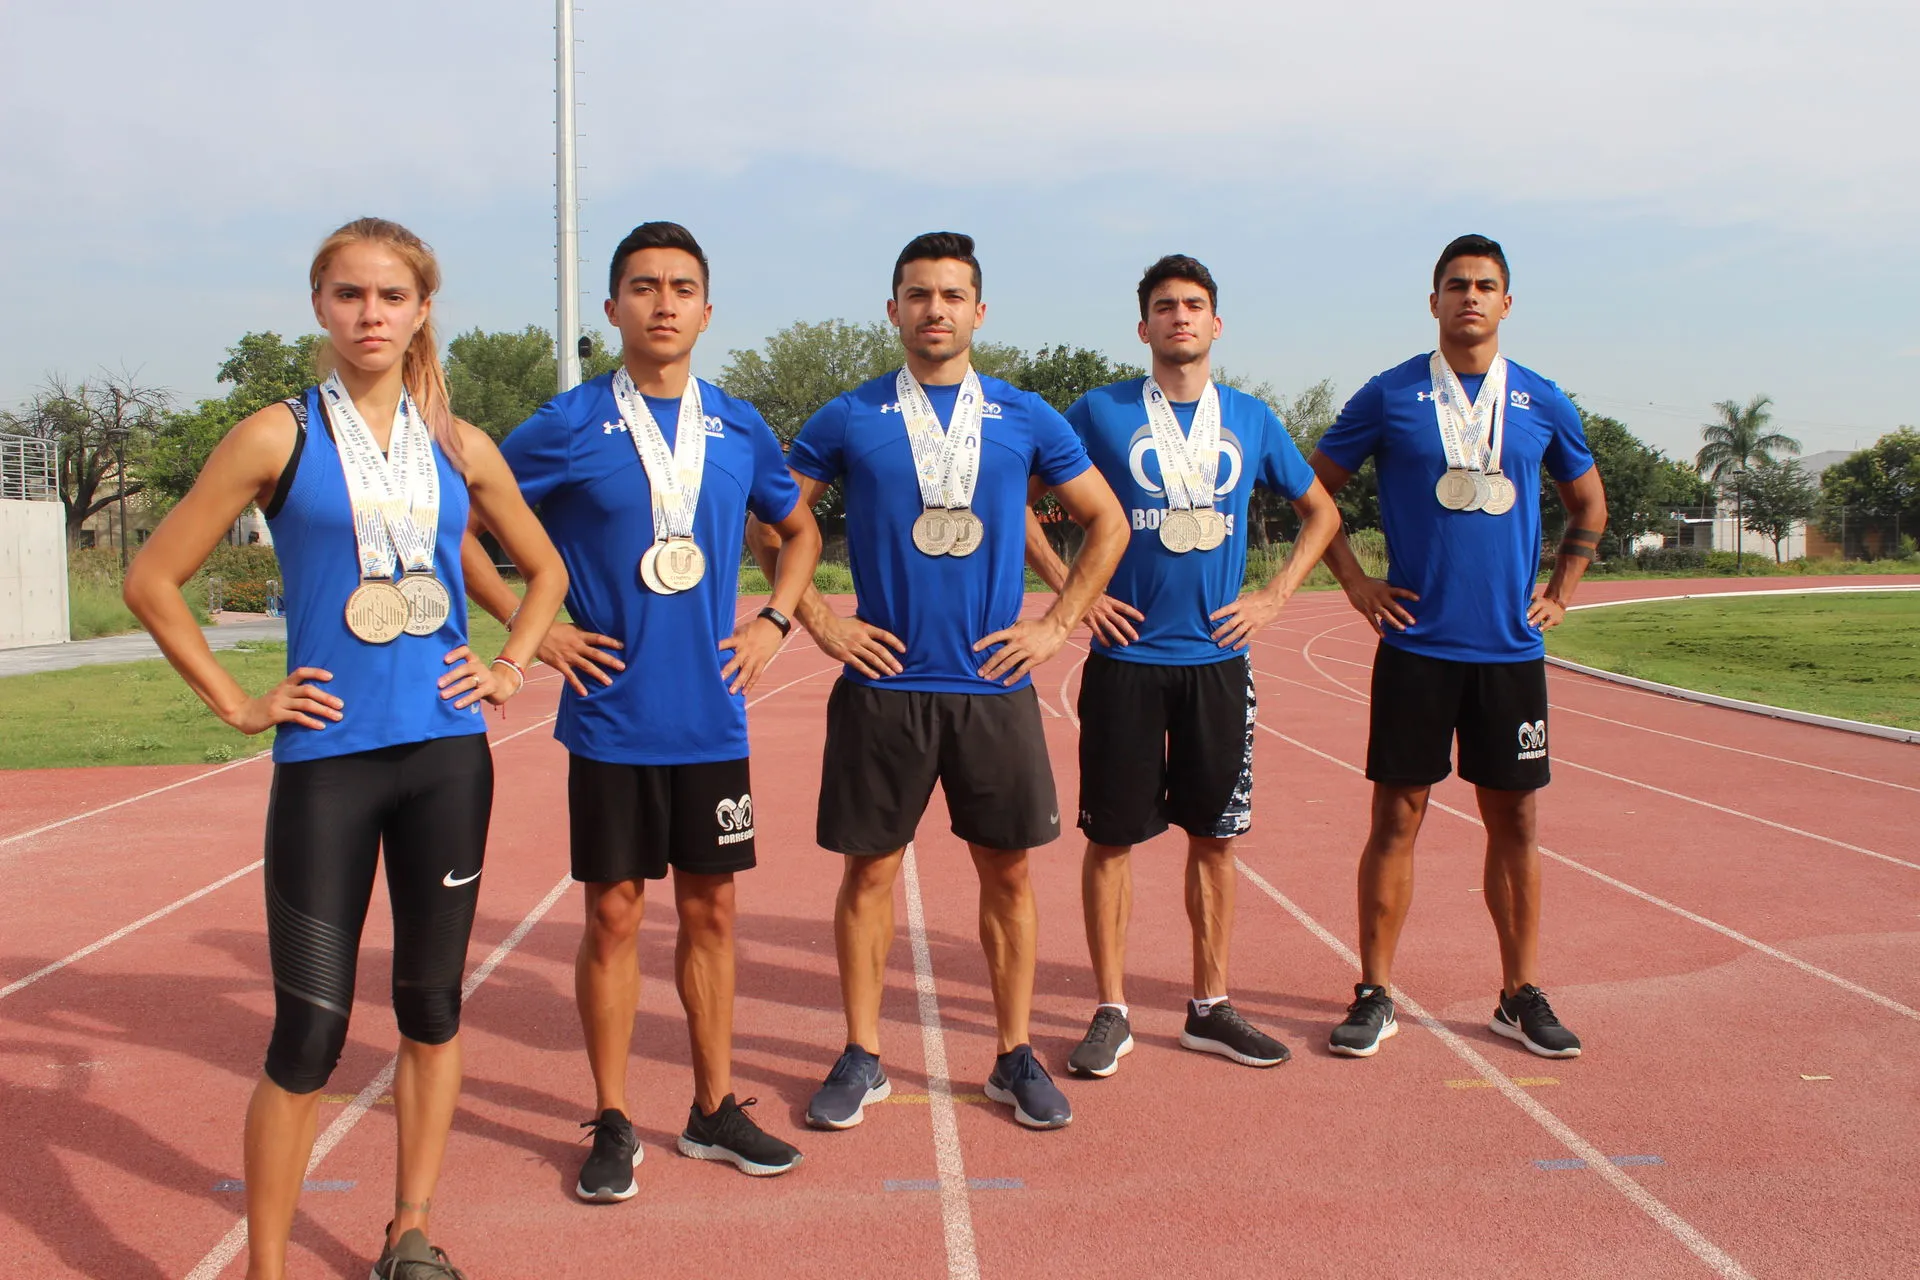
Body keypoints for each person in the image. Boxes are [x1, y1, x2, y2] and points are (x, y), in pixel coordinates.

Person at [124, 217, 567, 1280]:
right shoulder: (276, 436)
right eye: (350, 295)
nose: (371, 314)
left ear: (422, 309)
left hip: (447, 759)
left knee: (430, 1005)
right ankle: (267, 1268)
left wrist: (509, 667)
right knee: (308, 1032)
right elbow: (152, 579)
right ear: (319, 305)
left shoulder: (459, 444)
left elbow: (544, 574)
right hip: (328, 762)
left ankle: (408, 1230)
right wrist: (236, 701)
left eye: (392, 296)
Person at [464, 221, 822, 1201]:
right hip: (614, 717)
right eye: (643, 286)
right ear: (613, 308)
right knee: (614, 915)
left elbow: (800, 530)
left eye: (681, 286)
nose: (663, 302)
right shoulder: (568, 424)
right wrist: (534, 631)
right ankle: (615, 1116)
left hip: (712, 718)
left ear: (707, 309)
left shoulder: (739, 425)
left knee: (712, 911)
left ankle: (712, 1107)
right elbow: (460, 522)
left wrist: (776, 622)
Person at [749, 231, 1129, 1132]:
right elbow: (771, 523)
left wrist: (1056, 623)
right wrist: (822, 621)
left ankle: (1012, 1055)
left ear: (978, 312)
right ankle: (863, 1053)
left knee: (1008, 876)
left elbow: (1106, 523)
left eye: (952, 296)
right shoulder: (849, 416)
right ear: (893, 310)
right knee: (869, 873)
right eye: (918, 295)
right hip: (885, 686)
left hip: (994, 689)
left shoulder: (1026, 414)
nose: (935, 310)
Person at [1024, 254, 1342, 1078]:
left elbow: (1322, 511)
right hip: (1124, 660)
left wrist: (1273, 597)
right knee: (1113, 840)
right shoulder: (1098, 411)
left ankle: (1210, 1006)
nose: (1180, 318)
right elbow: (1020, 501)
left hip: (1218, 663)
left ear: (1216, 324)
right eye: (1164, 306)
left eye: (1194, 305)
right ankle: (1111, 1010)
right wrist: (1072, 593)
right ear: (1143, 327)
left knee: (1216, 839)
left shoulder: (1253, 418)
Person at [1307, 234, 1608, 1060]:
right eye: (1454, 286)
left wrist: (1559, 594)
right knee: (1396, 818)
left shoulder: (1543, 400)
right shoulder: (1390, 394)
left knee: (1515, 820)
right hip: (1416, 646)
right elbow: (1313, 494)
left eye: (1485, 286)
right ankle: (1374, 991)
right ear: (1433, 302)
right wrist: (1357, 583)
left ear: (1507, 303)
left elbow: (1589, 506)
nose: (1469, 297)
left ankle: (1519, 993)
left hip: (1509, 653)